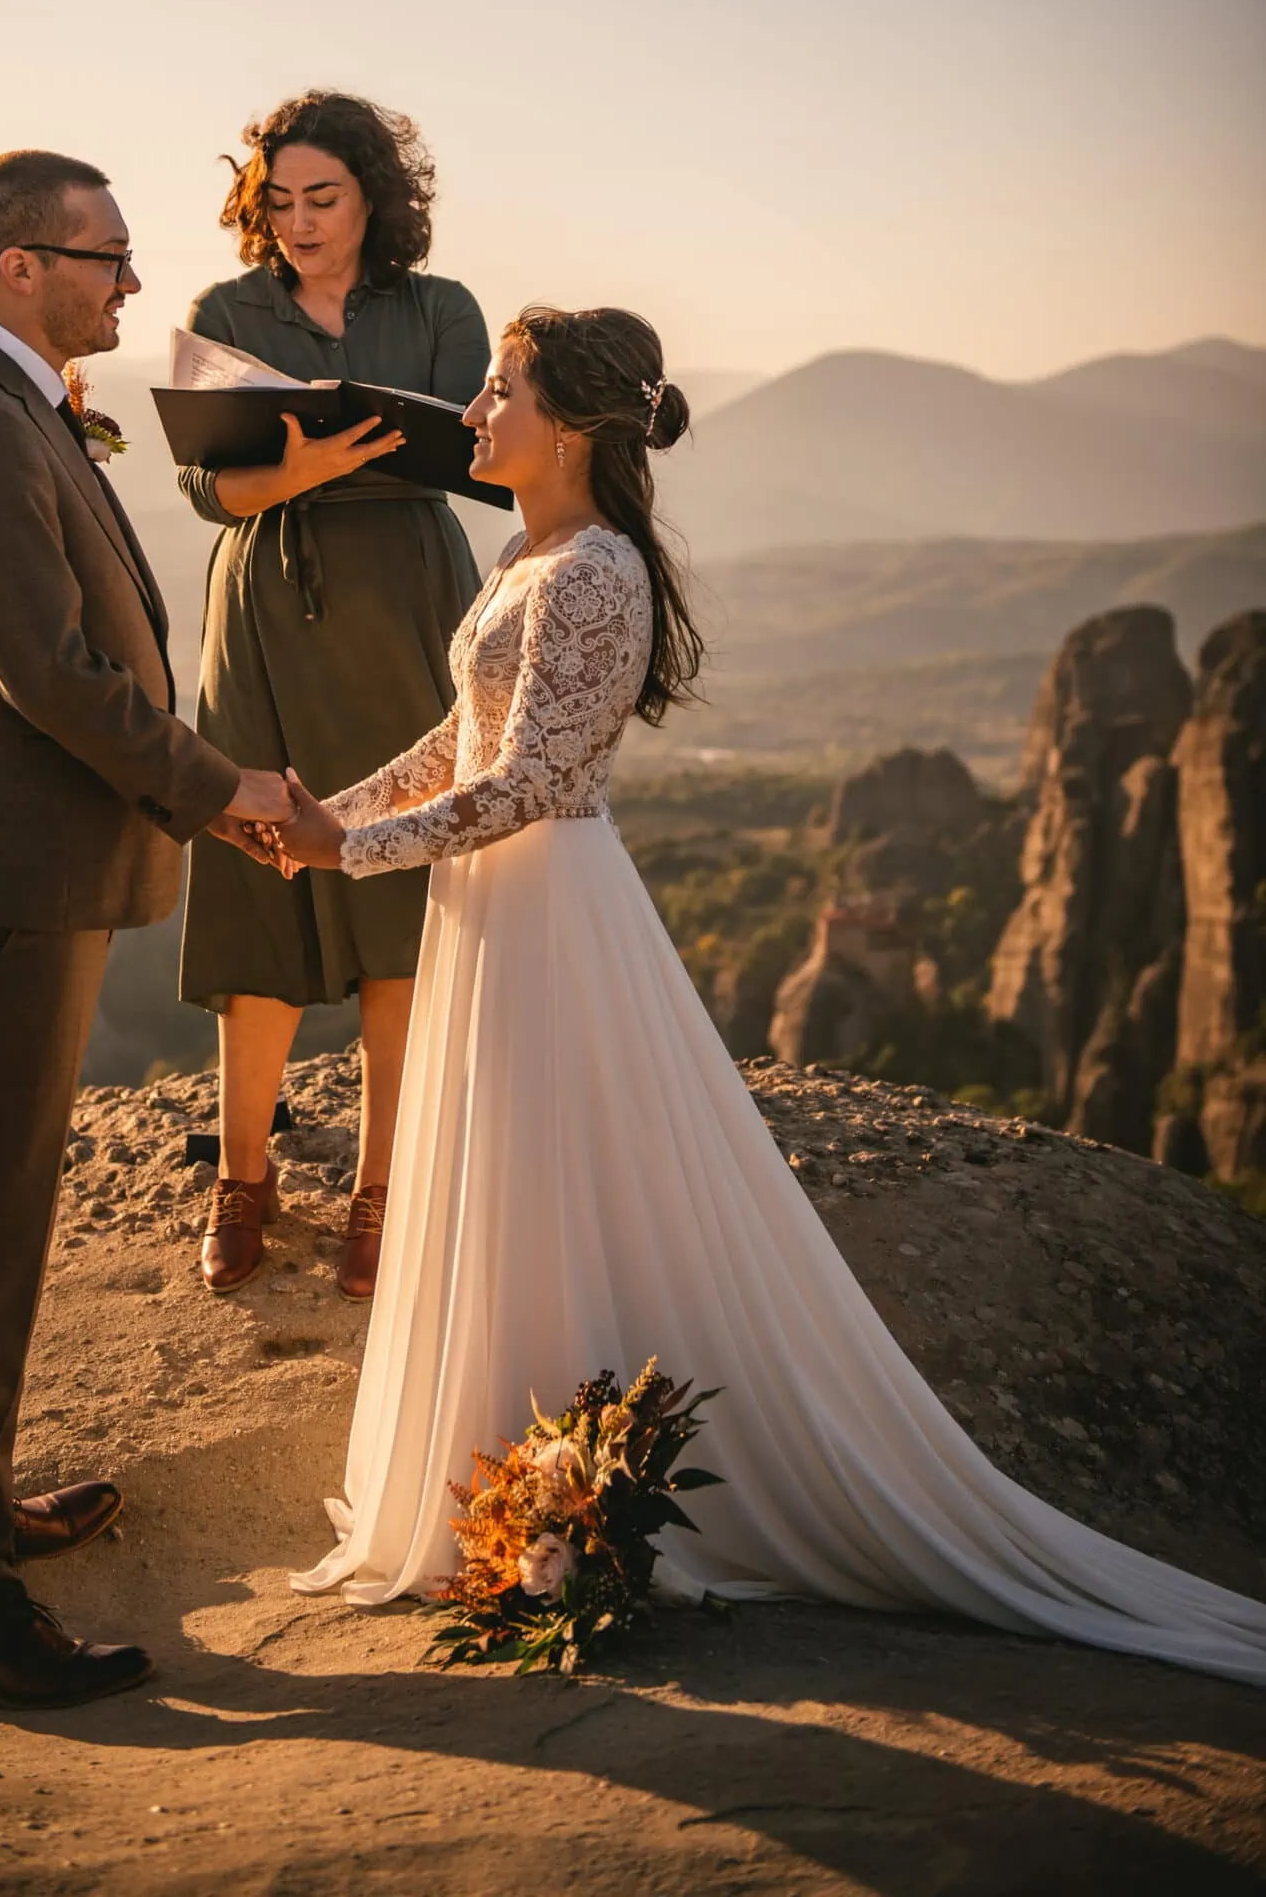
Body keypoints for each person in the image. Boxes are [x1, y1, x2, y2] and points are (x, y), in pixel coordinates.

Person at [267, 304, 1266, 1684]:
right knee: (503, 1174)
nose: (476, 414)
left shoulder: (598, 571)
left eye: (500, 392)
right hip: (489, 903)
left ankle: (583, 1487)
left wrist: (350, 850)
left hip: (553, 907)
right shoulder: (524, 552)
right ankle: (498, 1481)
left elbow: (540, 784)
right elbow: (464, 739)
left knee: (556, 1173)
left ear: (569, 426)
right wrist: (335, 810)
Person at [0, 149, 290, 1710]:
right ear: (14, 266)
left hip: (21, 865)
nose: (131, 279)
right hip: (6, 873)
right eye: (104, 254)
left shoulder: (6, 401)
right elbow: (51, 678)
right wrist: (222, 786)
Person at [178, 90, 490, 1301]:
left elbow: (465, 454)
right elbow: (212, 488)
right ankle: (240, 1176)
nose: (300, 224)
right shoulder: (225, 311)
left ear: (374, 199)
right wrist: (295, 470)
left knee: (396, 886)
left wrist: (343, 464)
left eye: (325, 199)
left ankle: (380, 1187)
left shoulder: (441, 308)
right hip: (262, 607)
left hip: (406, 602)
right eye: (281, 203)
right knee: (259, 862)